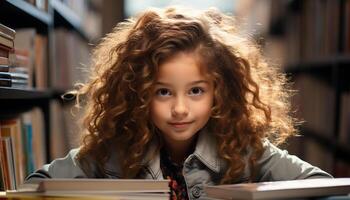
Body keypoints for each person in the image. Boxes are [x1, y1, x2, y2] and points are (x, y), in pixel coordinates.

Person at [27, 6, 332, 200]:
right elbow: (35, 186)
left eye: (196, 91)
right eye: (163, 92)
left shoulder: (245, 149)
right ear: (139, 93)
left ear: (219, 92)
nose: (181, 109)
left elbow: (322, 185)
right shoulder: (113, 151)